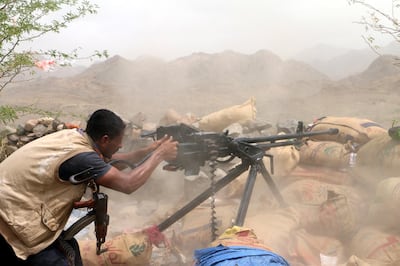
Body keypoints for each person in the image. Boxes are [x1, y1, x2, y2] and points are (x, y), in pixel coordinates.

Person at [0, 109, 178, 266]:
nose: (121, 145)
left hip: (13, 209)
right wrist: (159, 155)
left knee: (71, 250)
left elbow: (109, 163)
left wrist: (147, 152)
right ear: (105, 139)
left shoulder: (74, 138)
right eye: (119, 141)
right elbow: (128, 183)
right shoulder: (82, 157)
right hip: (11, 221)